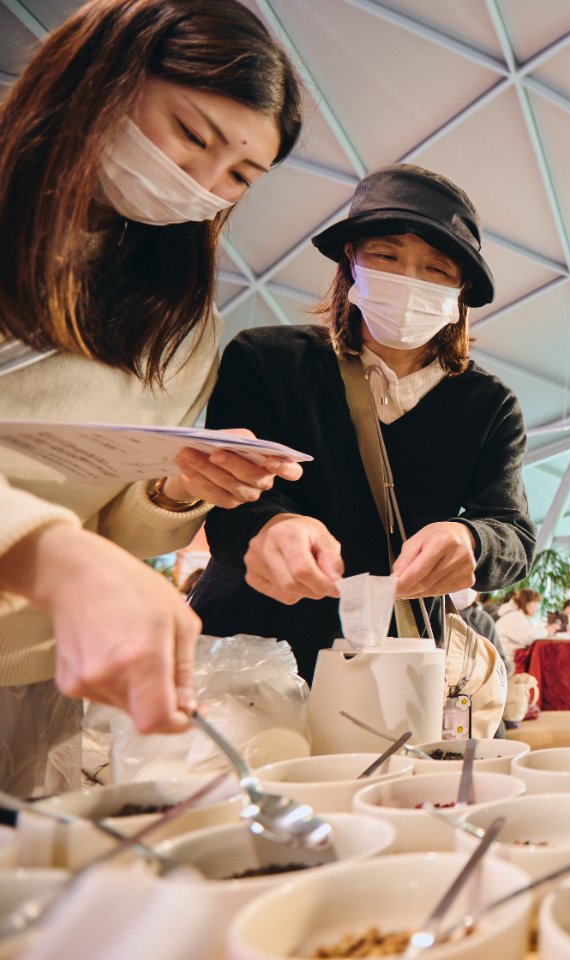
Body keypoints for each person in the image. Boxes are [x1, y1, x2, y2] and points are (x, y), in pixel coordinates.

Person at [0, 0, 303, 795]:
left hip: (38, 674)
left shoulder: (179, 324)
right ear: (103, 76)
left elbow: (115, 526)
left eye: (239, 176)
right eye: (191, 134)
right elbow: (76, 548)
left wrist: (174, 485)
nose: (202, 182)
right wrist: (54, 558)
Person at [189, 164, 536, 681]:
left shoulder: (489, 405)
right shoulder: (266, 360)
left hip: (393, 659)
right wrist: (272, 526)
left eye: (436, 268)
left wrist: (470, 539)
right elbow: (229, 498)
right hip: (250, 648)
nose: (408, 280)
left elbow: (513, 532)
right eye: (386, 256)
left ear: (461, 288)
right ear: (350, 260)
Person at [494, 588, 542, 673]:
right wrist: (547, 631)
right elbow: (528, 638)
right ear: (526, 603)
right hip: (507, 665)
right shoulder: (514, 617)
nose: (537, 607)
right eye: (535, 603)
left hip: (507, 662)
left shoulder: (516, 616)